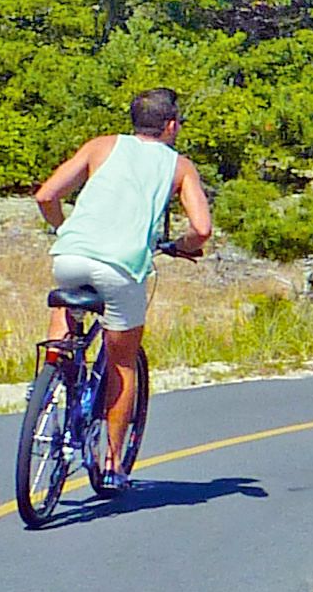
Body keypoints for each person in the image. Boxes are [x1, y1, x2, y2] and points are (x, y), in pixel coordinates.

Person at [33, 89, 213, 480]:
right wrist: (180, 247)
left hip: (71, 256)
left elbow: (46, 194)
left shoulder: (101, 146)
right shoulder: (179, 167)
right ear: (170, 126)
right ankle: (113, 464)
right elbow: (202, 229)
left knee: (67, 310)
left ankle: (47, 385)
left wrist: (65, 229)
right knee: (121, 362)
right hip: (121, 268)